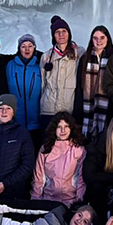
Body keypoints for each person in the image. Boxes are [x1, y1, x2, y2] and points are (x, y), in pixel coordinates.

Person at [39, 15, 84, 150]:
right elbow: (42, 83)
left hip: (68, 108)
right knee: (48, 145)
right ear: (53, 36)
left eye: (64, 31)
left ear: (69, 33)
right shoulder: (46, 56)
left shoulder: (78, 53)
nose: (61, 35)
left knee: (68, 147)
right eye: (57, 32)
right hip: (49, 108)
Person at [30, 112, 86, 207]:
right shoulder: (45, 149)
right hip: (48, 200)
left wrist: (79, 203)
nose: (63, 130)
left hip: (70, 202)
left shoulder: (79, 150)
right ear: (54, 129)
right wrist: (35, 203)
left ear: (71, 128)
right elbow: (38, 179)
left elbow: (81, 180)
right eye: (59, 127)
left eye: (66, 126)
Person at [83, 114, 113, 217]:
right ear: (111, 127)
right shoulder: (97, 144)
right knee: (97, 187)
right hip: (101, 189)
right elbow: (88, 175)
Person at [75, 26, 113, 142]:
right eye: (95, 38)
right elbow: (79, 85)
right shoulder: (85, 58)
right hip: (87, 108)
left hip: (108, 108)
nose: (99, 41)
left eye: (102, 37)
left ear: (108, 39)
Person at [5, 34, 43, 140]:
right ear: (19, 49)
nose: (27, 49)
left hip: (36, 121)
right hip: (16, 121)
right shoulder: (10, 65)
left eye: (30, 46)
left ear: (34, 48)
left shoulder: (40, 64)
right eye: (23, 46)